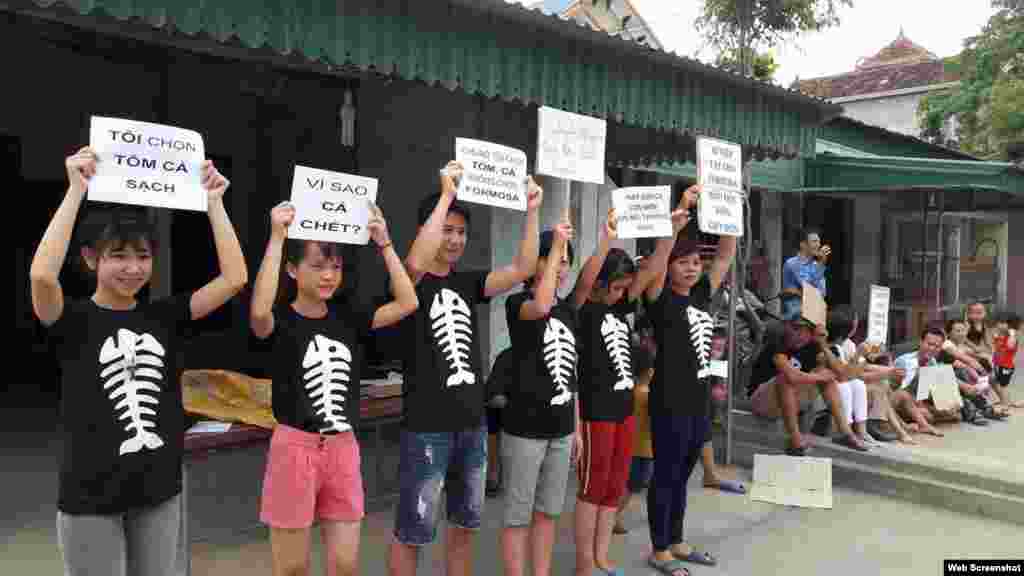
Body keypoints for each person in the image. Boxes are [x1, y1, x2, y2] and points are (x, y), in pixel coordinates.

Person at [31, 147, 247, 576]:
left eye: (143, 256)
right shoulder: (70, 319)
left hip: (159, 489)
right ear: (91, 259)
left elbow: (235, 278)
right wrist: (75, 190)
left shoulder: (164, 316)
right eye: (118, 255)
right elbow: (41, 276)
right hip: (90, 495)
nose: (133, 268)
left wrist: (214, 203)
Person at [388, 162, 542, 576]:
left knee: (464, 526)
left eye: (461, 232)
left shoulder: (469, 282)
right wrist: (446, 195)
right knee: (412, 531)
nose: (455, 239)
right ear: (427, 230)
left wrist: (532, 210)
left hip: (472, 425)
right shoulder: (407, 282)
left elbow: (523, 269)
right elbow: (414, 262)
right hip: (426, 428)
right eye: (446, 230)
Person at [250, 200, 418, 576]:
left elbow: (408, 301)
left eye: (336, 267)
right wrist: (277, 237)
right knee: (292, 569)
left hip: (343, 447)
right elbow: (258, 312)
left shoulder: (350, 318)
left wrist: (385, 244)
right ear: (292, 269)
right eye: (317, 266)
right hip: (295, 447)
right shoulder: (280, 321)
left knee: (345, 565)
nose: (328, 275)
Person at [500, 224, 579, 576]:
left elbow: (571, 375)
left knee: (548, 513)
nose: (560, 268)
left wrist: (575, 428)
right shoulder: (517, 303)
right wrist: (558, 242)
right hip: (525, 429)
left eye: (564, 262)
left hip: (561, 429)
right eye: (551, 260)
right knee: (517, 516)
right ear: (535, 263)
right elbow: (542, 305)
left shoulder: (570, 310)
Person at [748, 304, 869, 456]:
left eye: (802, 330)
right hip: (761, 401)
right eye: (794, 328)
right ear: (787, 327)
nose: (797, 334)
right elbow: (790, 375)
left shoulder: (814, 346)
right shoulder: (778, 341)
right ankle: (795, 439)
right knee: (786, 378)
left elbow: (842, 375)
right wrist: (818, 377)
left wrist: (823, 344)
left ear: (811, 333)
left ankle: (846, 433)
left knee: (826, 376)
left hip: (789, 401)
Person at [780, 228, 830, 320]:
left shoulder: (815, 264)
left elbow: (822, 292)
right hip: (797, 316)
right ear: (803, 244)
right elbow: (808, 287)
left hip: (814, 313)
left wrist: (800, 292)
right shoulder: (792, 263)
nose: (819, 245)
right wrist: (821, 263)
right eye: (814, 241)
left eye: (819, 242)